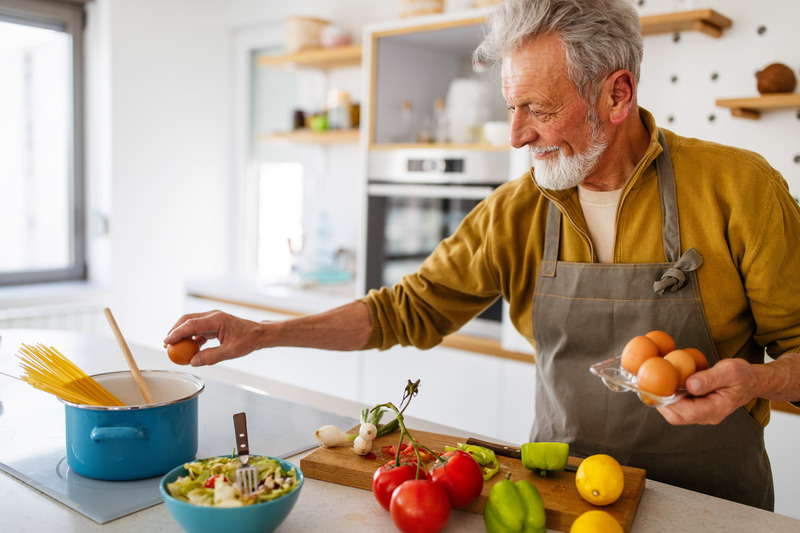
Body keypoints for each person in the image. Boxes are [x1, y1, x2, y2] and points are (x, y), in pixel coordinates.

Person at [165, 0, 800, 510]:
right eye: (510, 108)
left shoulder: (740, 189)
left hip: (715, 509)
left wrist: (762, 380)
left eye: (538, 109)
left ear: (617, 94)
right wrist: (264, 333)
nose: (518, 134)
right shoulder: (516, 210)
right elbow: (403, 311)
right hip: (560, 501)